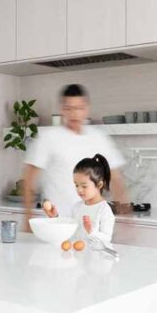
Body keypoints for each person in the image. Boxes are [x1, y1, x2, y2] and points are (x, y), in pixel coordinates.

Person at [23, 84, 127, 227]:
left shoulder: (99, 138)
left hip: (91, 226)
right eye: (69, 108)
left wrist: (127, 218)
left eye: (79, 108)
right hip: (55, 224)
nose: (74, 114)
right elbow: (29, 179)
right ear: (62, 109)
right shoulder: (49, 138)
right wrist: (27, 220)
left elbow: (116, 179)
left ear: (86, 109)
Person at [43, 154, 116, 243]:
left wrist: (91, 231)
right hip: (75, 254)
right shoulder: (77, 206)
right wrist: (55, 217)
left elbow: (107, 239)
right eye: (76, 185)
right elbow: (68, 229)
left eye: (84, 186)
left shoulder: (104, 210)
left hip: (94, 256)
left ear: (99, 185)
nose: (79, 190)